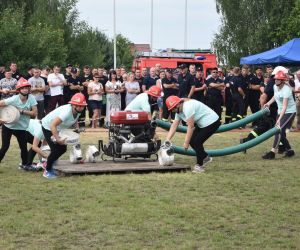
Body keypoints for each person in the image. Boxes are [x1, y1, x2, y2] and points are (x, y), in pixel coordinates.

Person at [165, 96, 220, 173]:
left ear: (179, 104)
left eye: (174, 108)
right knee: (192, 141)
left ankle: (199, 166)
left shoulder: (188, 107)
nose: (173, 110)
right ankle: (205, 157)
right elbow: (174, 125)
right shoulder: (178, 111)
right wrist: (167, 139)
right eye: (171, 109)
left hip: (212, 122)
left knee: (197, 142)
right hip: (202, 123)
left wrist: (186, 143)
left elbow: (190, 126)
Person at [41, 93, 87, 179]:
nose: (81, 107)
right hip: (48, 127)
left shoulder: (78, 111)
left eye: (82, 106)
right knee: (55, 150)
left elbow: (74, 120)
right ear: (73, 105)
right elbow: (52, 125)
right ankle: (47, 170)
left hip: (58, 128)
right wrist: (57, 139)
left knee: (63, 149)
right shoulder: (66, 112)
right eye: (79, 105)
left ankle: (48, 162)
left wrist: (77, 129)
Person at [0, 78, 37, 169]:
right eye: (23, 88)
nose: (25, 89)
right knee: (5, 147)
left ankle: (25, 164)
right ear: (19, 90)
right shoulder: (14, 99)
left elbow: (34, 113)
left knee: (24, 147)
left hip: (21, 128)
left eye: (27, 88)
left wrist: (21, 111)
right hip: (8, 126)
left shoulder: (31, 98)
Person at [262, 70, 296, 159]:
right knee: (280, 131)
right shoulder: (275, 86)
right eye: (275, 79)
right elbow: (275, 96)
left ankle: (273, 152)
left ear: (282, 81)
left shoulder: (286, 90)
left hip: (289, 112)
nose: (276, 80)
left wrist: (279, 119)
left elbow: (285, 107)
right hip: (280, 112)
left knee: (278, 129)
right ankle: (290, 150)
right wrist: (268, 103)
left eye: (278, 79)